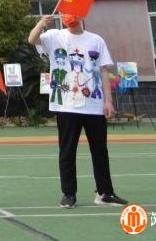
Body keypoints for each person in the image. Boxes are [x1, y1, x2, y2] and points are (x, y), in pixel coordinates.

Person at [28, 13, 129, 208]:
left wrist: (108, 101)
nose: (70, 17)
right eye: (66, 14)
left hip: (94, 105)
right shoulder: (55, 36)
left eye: (73, 14)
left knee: (100, 151)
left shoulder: (96, 40)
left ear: (81, 15)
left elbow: (103, 71)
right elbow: (32, 40)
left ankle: (105, 193)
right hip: (66, 105)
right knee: (67, 151)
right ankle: (69, 194)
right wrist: (41, 23)